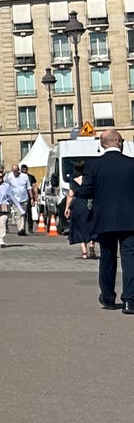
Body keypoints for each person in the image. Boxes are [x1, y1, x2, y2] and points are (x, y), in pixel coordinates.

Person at [79, 128, 134, 312]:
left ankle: (108, 298)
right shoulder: (132, 164)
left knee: (108, 258)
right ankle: (130, 300)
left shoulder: (93, 165)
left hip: (104, 219)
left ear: (103, 144)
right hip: (130, 218)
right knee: (130, 259)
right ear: (118, 141)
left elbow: (86, 192)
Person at [64, 161, 96, 260]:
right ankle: (92, 243)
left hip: (79, 204)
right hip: (91, 203)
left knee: (80, 227)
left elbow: (70, 194)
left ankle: (84, 252)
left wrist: (67, 208)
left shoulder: (73, 180)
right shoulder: (91, 179)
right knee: (92, 225)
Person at [7, 162, 33, 235]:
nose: (15, 172)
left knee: (23, 214)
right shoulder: (9, 177)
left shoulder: (24, 176)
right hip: (15, 199)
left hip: (24, 198)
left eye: (16, 170)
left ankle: (22, 229)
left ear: (19, 170)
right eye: (13, 171)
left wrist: (32, 198)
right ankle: (20, 229)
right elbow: (7, 187)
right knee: (19, 214)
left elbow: (29, 187)